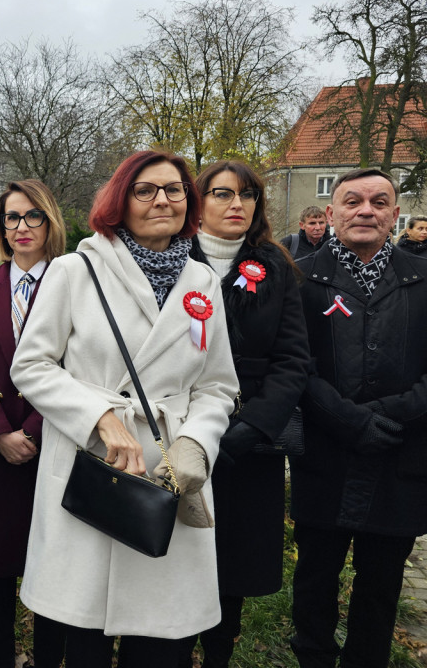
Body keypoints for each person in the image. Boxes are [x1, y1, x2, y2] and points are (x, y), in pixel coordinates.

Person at [9, 151, 237, 668]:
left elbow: (219, 386)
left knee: (163, 643)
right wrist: (100, 417)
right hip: (92, 466)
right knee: (83, 635)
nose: (163, 199)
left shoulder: (203, 283)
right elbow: (31, 365)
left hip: (166, 472)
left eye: (175, 189)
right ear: (120, 201)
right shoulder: (74, 270)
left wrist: (196, 443)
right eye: (146, 190)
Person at [290, 168, 427, 668]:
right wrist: (348, 420)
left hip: (400, 458)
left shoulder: (423, 278)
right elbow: (294, 366)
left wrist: (389, 415)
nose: (365, 210)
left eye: (378, 201)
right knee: (314, 582)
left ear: (395, 213)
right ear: (331, 213)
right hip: (326, 457)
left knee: (381, 588)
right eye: (352, 201)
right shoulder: (300, 278)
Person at [177, 161, 310, 668]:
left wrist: (252, 427)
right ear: (199, 201)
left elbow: (294, 359)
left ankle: (217, 654)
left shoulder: (275, 267)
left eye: (248, 195)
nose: (238, 204)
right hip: (177, 431)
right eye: (223, 193)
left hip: (247, 443)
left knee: (230, 559)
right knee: (173, 548)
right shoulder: (168, 259)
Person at [0, 179, 67, 668]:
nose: (21, 227)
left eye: (32, 217)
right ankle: (1, 655)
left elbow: (76, 363)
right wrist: (0, 431)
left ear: (50, 222)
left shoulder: (73, 278)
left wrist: (34, 430)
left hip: (55, 439)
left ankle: (49, 656)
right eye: (11, 218)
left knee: (54, 558)